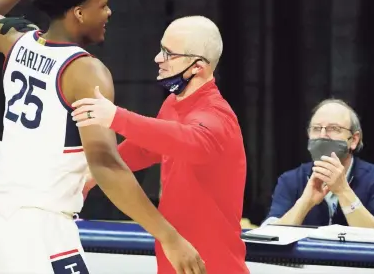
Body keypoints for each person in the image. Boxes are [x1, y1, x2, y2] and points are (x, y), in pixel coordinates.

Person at [0, 0, 206, 274]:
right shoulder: (85, 71)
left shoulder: (18, 40)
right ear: (78, 12)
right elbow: (105, 163)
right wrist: (169, 237)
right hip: (41, 229)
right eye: (102, 5)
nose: (109, 12)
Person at [73, 16, 249, 274]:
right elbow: (148, 147)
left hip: (212, 265)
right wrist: (93, 175)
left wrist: (115, 117)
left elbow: (190, 140)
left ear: (197, 66)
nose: (157, 58)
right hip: (175, 258)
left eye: (169, 53)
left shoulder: (217, 115)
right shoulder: (175, 103)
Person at [262, 99, 374, 229]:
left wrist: (343, 191)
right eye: (316, 128)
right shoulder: (290, 180)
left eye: (333, 128)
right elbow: (269, 235)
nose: (322, 135)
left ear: (354, 140)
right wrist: (305, 203)